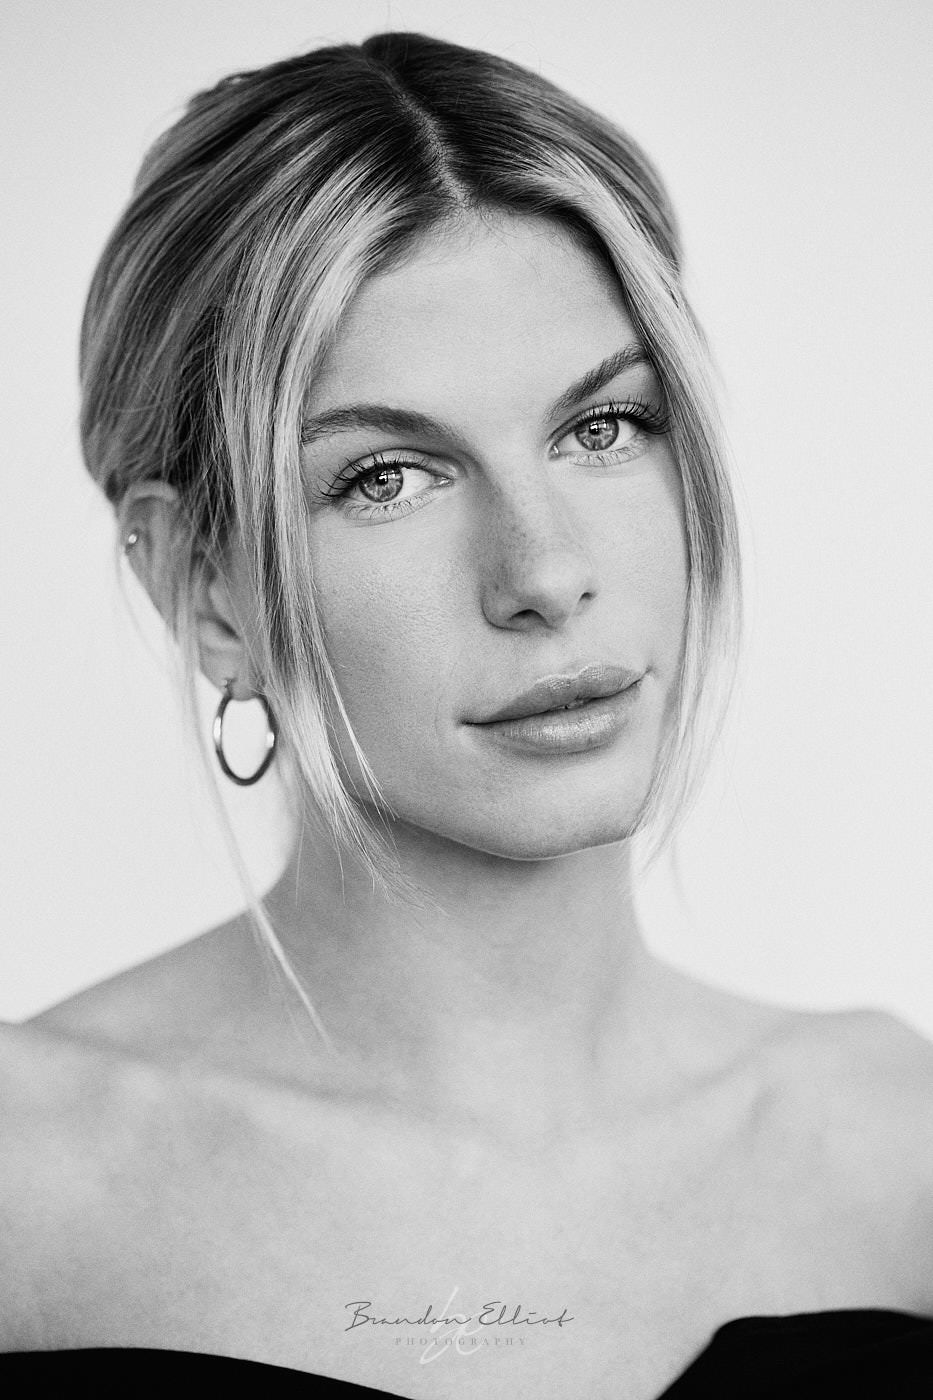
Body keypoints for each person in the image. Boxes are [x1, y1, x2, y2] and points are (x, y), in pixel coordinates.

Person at [1, 30, 931, 1399]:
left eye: (603, 428)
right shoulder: (29, 1182)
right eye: (387, 476)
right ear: (207, 588)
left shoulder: (898, 1145)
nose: (545, 573)